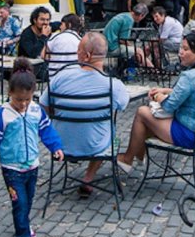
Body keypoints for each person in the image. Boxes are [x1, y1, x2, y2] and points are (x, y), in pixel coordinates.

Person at [0, 59, 64, 237]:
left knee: (29, 198)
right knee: (20, 202)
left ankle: (24, 224)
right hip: (11, 169)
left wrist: (56, 147)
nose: (23, 104)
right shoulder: (3, 114)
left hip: (32, 166)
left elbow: (46, 130)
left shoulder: (36, 110)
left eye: (27, 99)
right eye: (18, 100)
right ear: (10, 94)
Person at [116, 30, 195, 171]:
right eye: (180, 48)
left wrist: (157, 96)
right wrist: (165, 90)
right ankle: (137, 156)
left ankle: (129, 159)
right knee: (146, 122)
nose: (180, 53)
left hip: (192, 134)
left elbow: (168, 106)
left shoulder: (189, 76)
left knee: (142, 112)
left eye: (185, 49)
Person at [40, 32, 129, 196]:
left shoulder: (61, 77)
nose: (76, 53)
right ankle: (88, 178)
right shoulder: (113, 85)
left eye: (78, 50)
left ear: (86, 56)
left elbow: (44, 106)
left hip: (60, 143)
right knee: (112, 132)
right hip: (96, 144)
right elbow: (122, 106)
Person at [43, 13, 84, 78]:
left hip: (55, 77)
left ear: (69, 25)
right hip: (75, 78)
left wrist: (44, 36)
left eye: (62, 24)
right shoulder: (80, 40)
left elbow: (43, 56)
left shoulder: (55, 37)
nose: (60, 27)